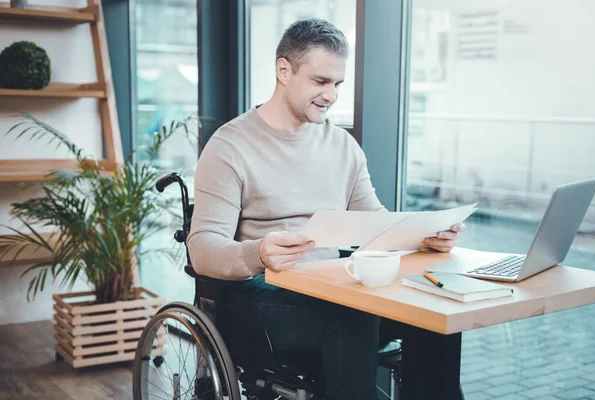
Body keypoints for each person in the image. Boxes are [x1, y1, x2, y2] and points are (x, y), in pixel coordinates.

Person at [187, 18, 465, 400]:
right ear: (284, 71)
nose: (331, 95)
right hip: (263, 296)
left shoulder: (343, 146)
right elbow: (202, 249)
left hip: (331, 286)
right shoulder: (230, 146)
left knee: (433, 312)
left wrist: (426, 237)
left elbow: (377, 225)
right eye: (320, 82)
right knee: (350, 312)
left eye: (337, 84)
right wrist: (258, 252)